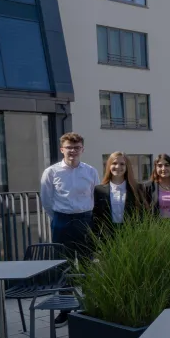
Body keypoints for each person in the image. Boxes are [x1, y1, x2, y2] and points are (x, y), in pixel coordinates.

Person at [40, 132, 99, 327]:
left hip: (85, 220)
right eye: (69, 147)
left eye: (77, 147)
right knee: (64, 265)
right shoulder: (51, 172)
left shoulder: (91, 172)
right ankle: (65, 309)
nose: (73, 151)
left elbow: (95, 197)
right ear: (61, 149)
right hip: (62, 221)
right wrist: (59, 218)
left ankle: (89, 305)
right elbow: (47, 201)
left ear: (82, 149)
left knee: (87, 264)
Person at [93, 152, 142, 235]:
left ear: (127, 167)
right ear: (109, 166)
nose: (118, 167)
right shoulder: (99, 190)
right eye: (114, 163)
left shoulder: (137, 188)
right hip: (106, 236)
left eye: (122, 164)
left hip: (131, 235)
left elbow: (142, 214)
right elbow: (96, 216)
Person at [140, 154, 170, 218]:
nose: (163, 168)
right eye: (159, 166)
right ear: (155, 168)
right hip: (156, 226)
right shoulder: (148, 187)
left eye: (167, 165)